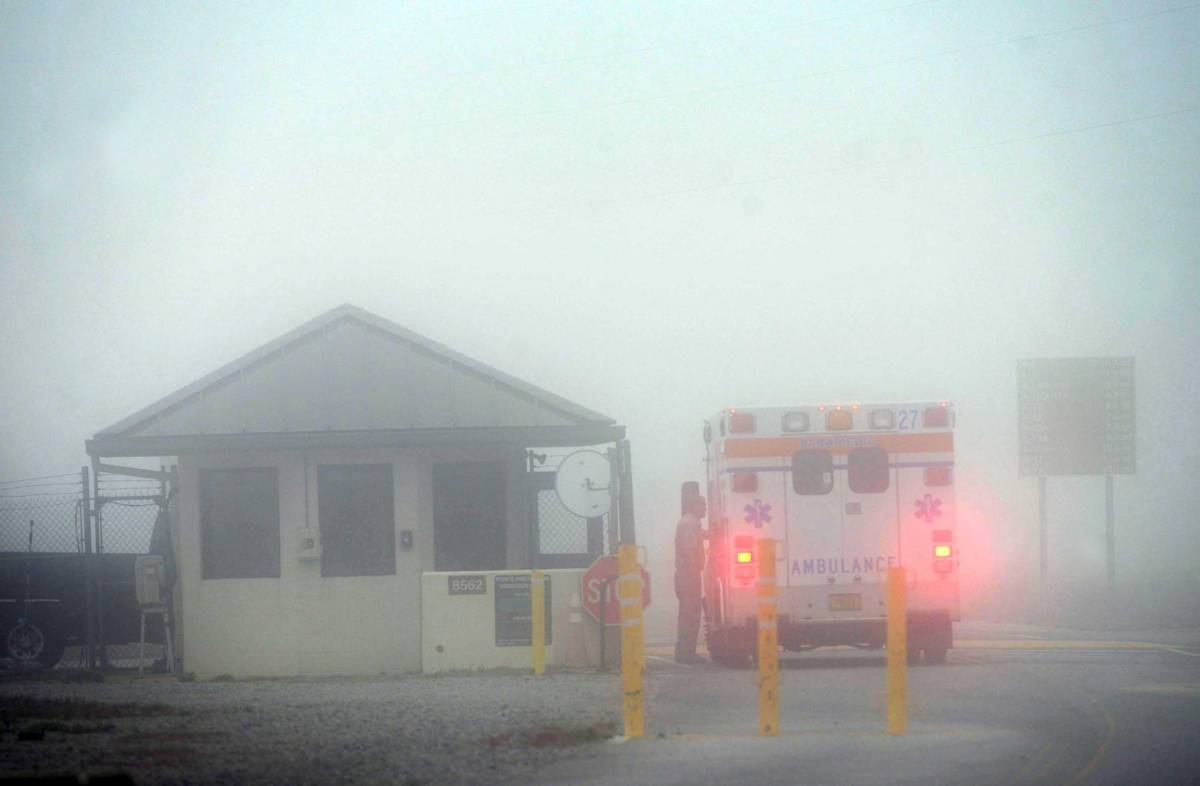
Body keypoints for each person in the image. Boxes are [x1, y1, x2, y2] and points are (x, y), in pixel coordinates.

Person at [674, 494, 708, 664]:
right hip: (688, 573)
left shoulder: (689, 523)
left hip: (686, 573)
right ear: (694, 506)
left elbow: (700, 535)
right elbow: (688, 550)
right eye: (703, 505)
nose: (705, 509)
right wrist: (695, 570)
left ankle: (683, 650)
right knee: (691, 613)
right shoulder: (689, 523)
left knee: (688, 613)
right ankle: (686, 653)